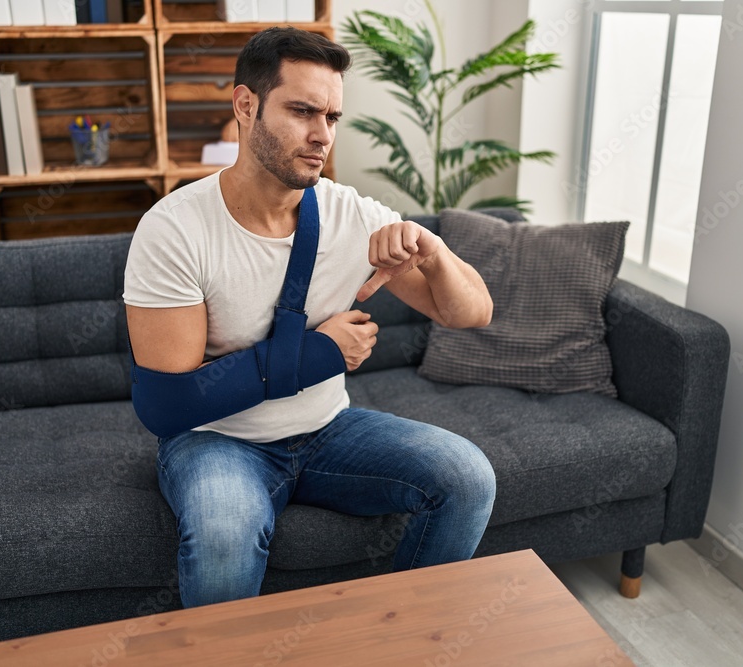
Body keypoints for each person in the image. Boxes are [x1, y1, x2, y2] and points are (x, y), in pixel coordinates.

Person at [123, 26, 496, 609]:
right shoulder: (175, 229)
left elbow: (472, 312)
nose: (322, 136)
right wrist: (321, 354)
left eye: (332, 117)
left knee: (467, 476)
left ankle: (399, 640)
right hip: (220, 443)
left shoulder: (353, 214)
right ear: (246, 106)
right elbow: (167, 406)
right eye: (302, 111)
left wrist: (433, 249)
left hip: (328, 432)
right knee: (224, 533)